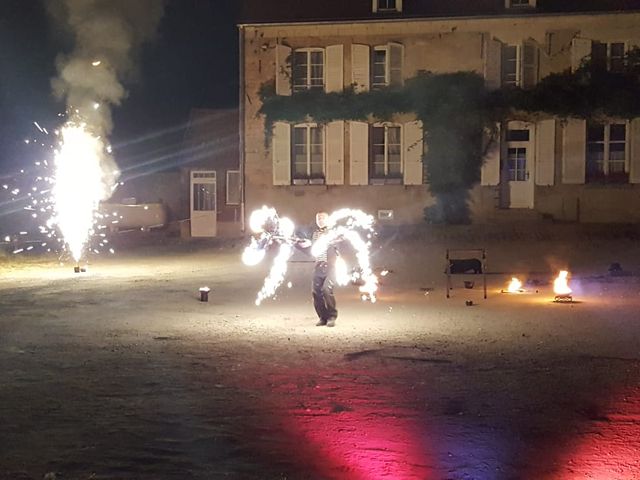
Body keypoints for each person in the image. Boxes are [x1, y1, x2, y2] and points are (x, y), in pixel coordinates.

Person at [297, 212, 339, 327]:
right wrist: (300, 245)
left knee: (326, 289)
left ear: (328, 219)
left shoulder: (333, 233)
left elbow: (338, 244)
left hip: (331, 266)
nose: (320, 220)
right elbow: (312, 252)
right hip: (318, 266)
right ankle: (322, 317)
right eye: (318, 218)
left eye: (323, 218)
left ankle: (332, 316)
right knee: (316, 292)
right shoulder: (314, 234)